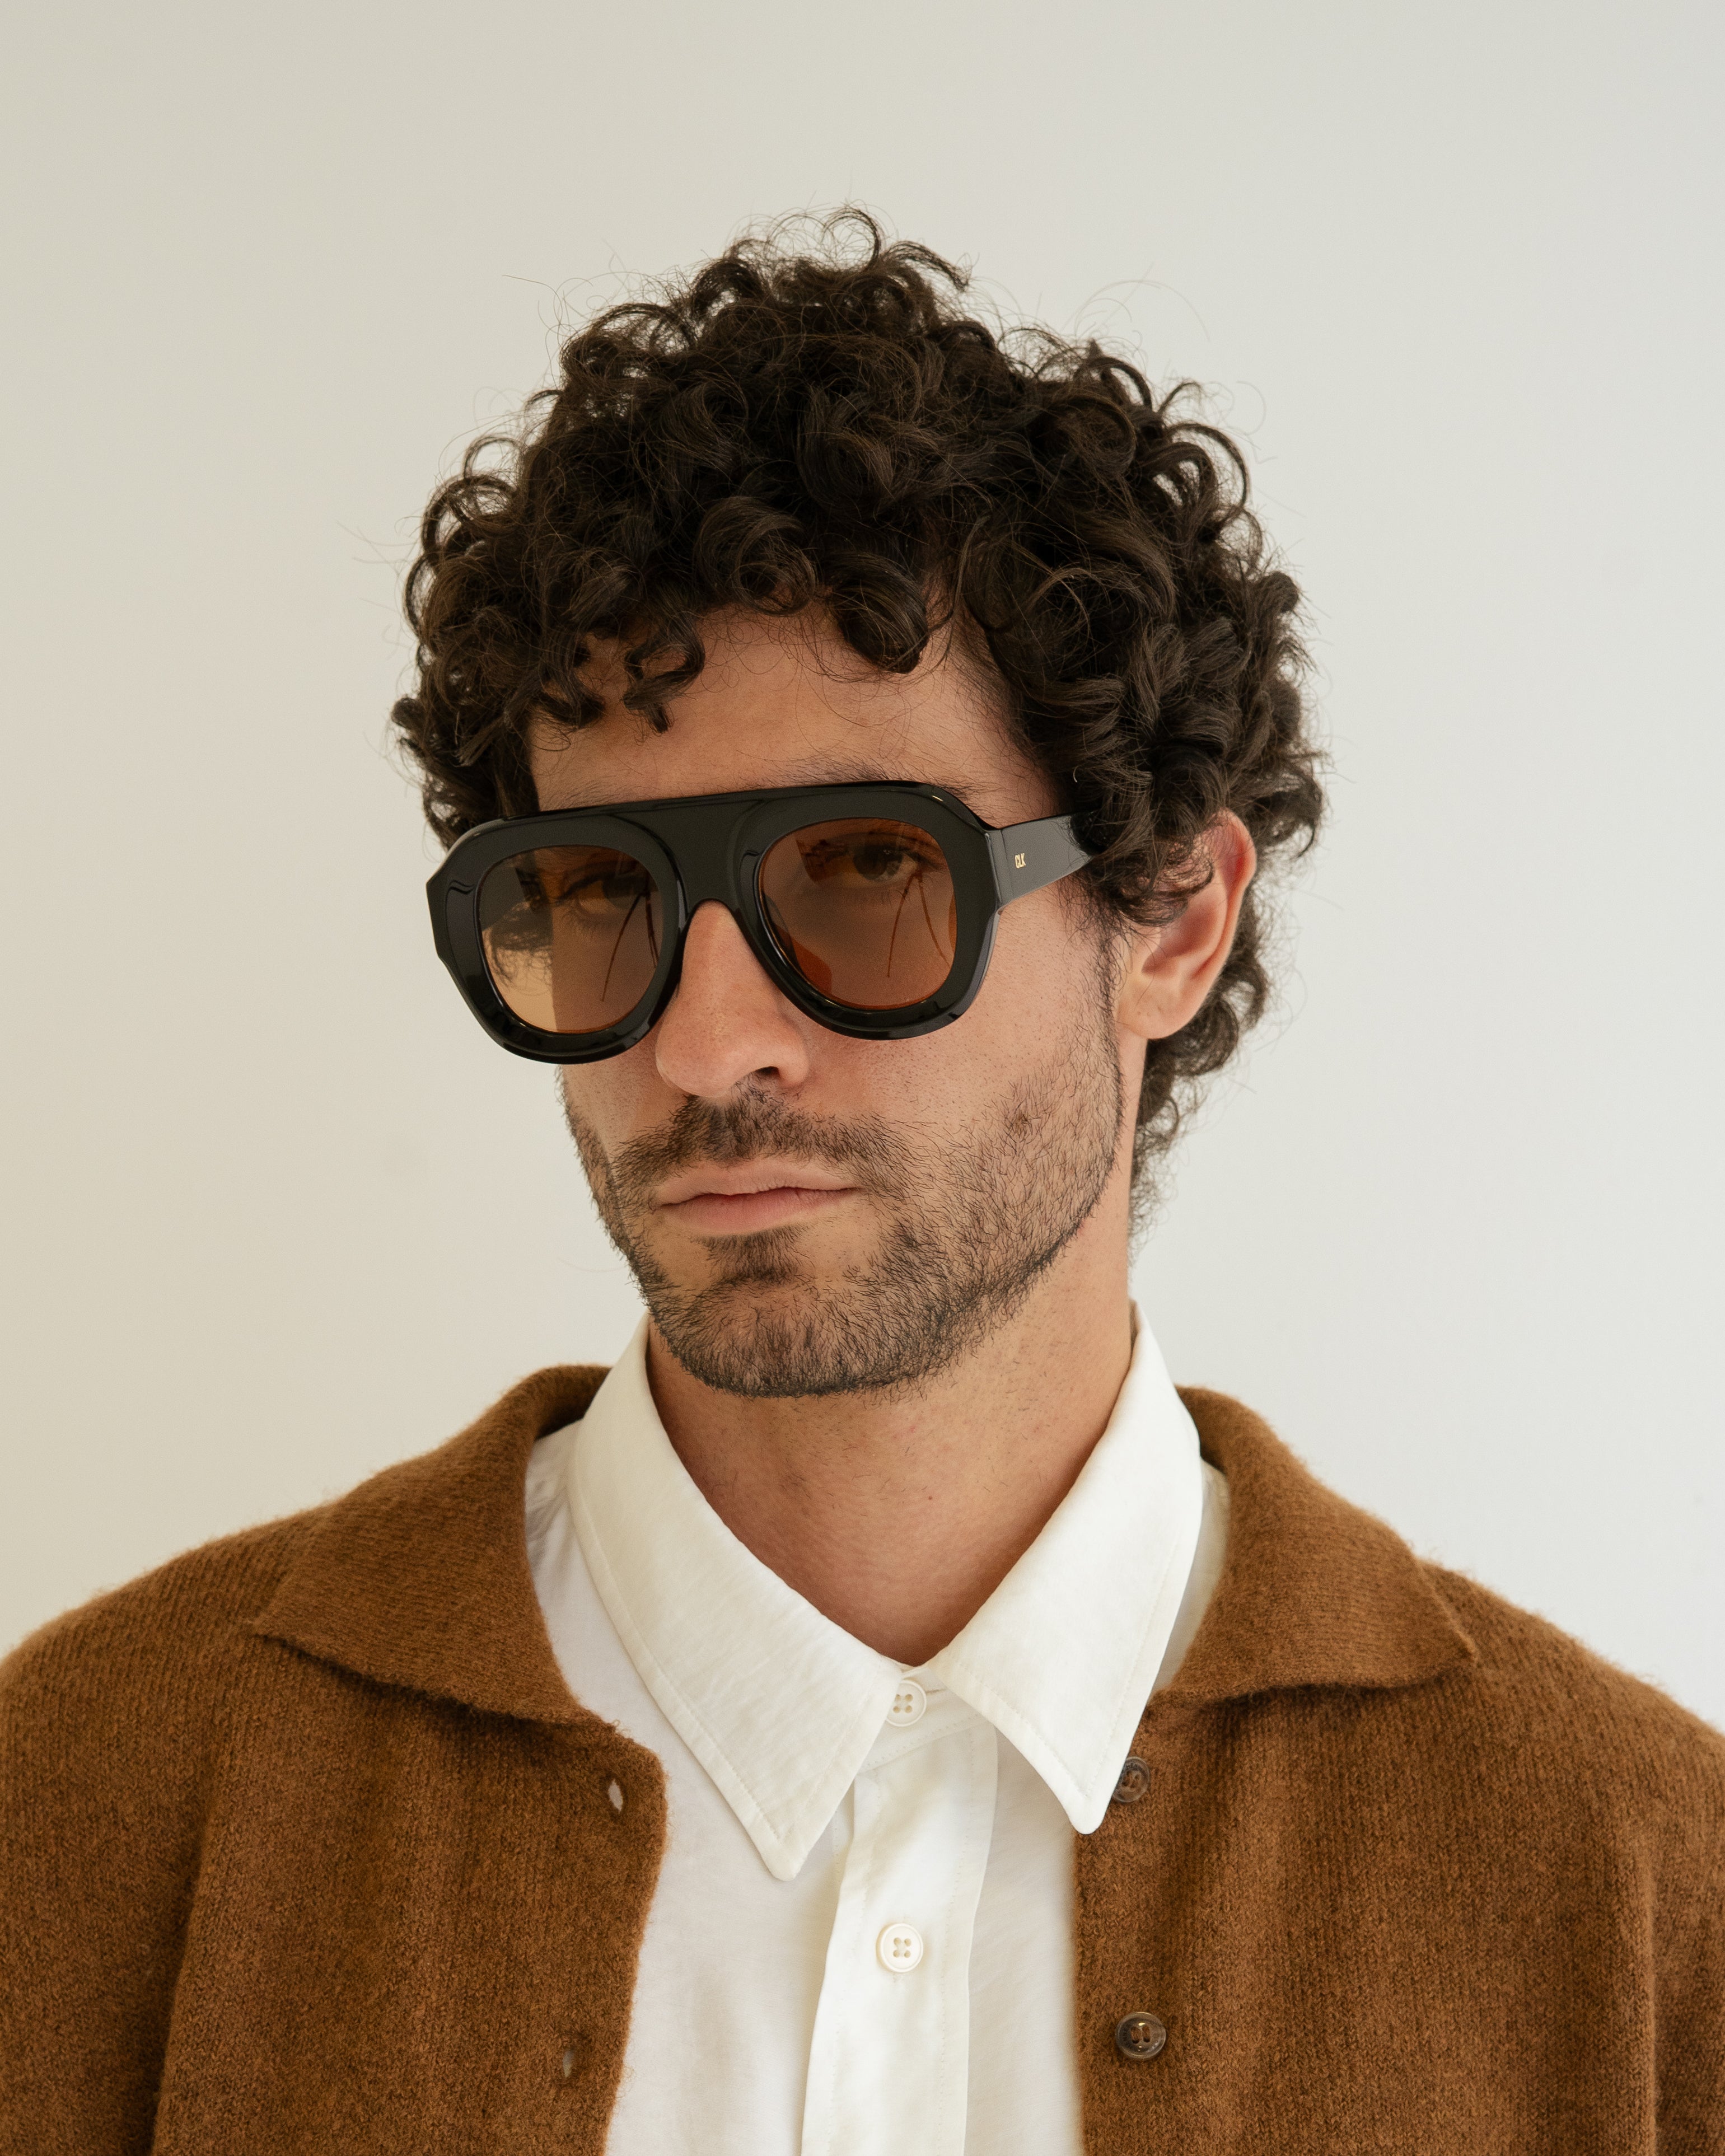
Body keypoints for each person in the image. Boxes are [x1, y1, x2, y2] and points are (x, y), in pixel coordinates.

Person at [2, 215, 1720, 2156]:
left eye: (865, 869)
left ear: (1169, 915)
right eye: (597, 893)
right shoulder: (91, 1798)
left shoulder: (1638, 1894)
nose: (701, 1043)